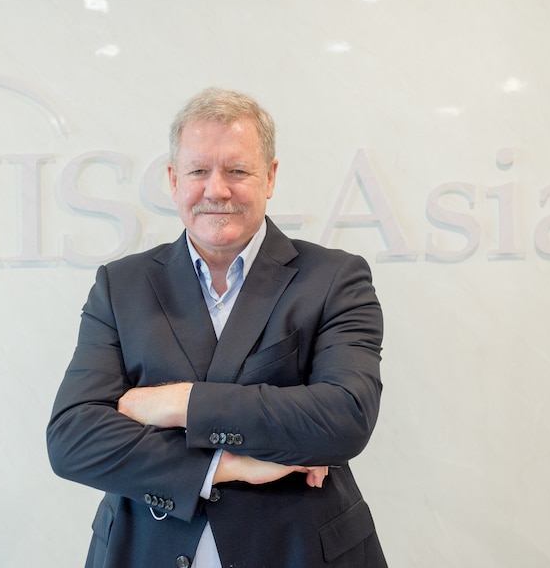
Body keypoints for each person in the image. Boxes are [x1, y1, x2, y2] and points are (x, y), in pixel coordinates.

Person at [47, 87, 387, 568]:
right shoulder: (120, 285)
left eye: (237, 170)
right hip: (144, 551)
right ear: (172, 179)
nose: (216, 190)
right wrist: (229, 466)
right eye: (198, 171)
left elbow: (344, 417)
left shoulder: (334, 278)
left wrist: (177, 402)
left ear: (270, 176)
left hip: (299, 552)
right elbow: (73, 439)